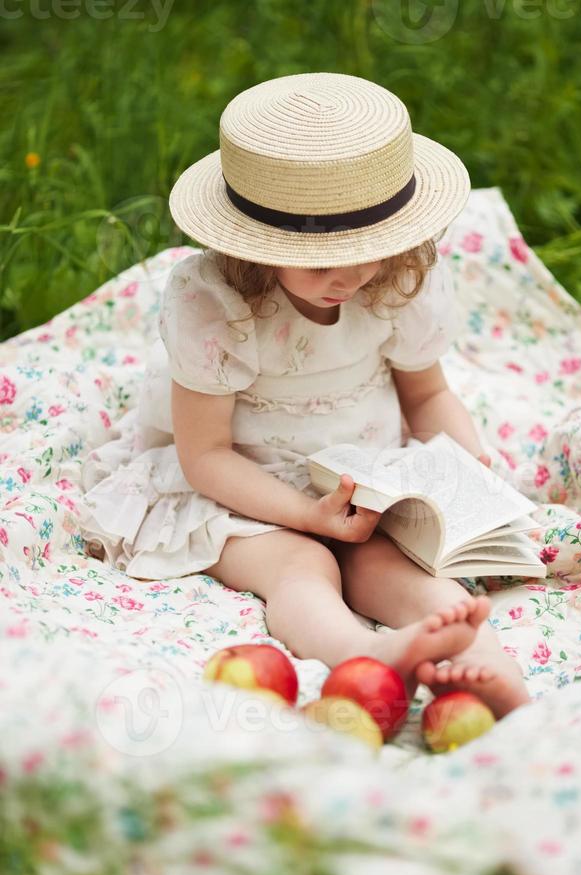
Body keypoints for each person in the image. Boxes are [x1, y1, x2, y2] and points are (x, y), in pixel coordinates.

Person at [77, 72, 530, 719]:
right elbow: (204, 454)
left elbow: (427, 395)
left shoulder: (397, 279)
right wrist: (305, 514)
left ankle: (489, 663)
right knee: (300, 567)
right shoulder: (222, 306)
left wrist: (464, 460)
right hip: (248, 482)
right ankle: (364, 656)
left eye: (365, 254)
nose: (347, 278)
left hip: (361, 481)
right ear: (262, 250)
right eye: (321, 263)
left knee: (406, 574)